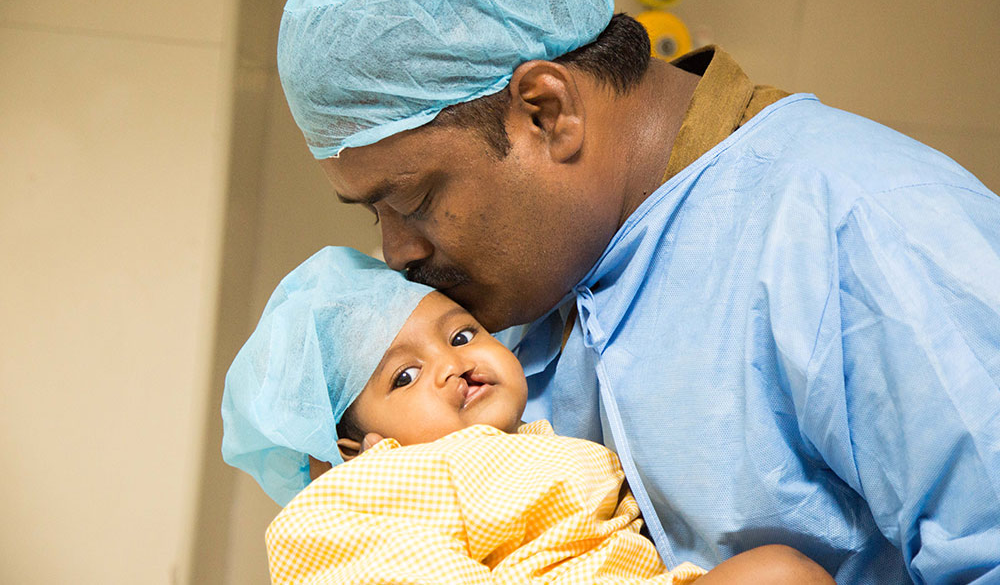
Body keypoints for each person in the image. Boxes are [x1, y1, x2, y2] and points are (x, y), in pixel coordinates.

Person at [275, 0, 1000, 583]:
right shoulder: (524, 296)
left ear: (546, 112)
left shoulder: (866, 226)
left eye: (413, 200)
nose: (398, 252)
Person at [222, 246, 835, 585]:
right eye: (403, 377)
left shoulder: (542, 438)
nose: (450, 365)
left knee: (780, 575)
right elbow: (354, 561)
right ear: (353, 450)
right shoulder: (374, 486)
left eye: (462, 335)